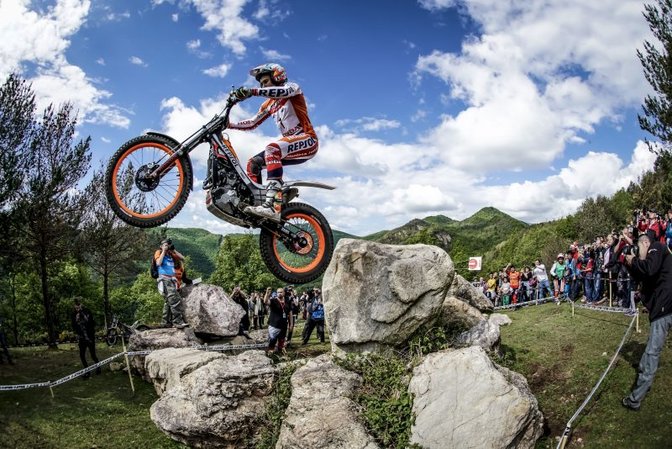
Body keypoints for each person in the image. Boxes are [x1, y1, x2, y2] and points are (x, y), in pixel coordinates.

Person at [229, 63, 319, 220]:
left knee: (272, 148)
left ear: (277, 77)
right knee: (253, 163)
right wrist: (229, 124)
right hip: (288, 145)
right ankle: (258, 204)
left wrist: (252, 91)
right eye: (261, 84)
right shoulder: (268, 104)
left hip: (308, 139)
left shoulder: (292, 88)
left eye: (265, 81)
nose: (263, 86)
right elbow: (252, 122)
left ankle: (273, 204)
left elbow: (282, 91)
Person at [622, 232, 672, 411]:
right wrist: (630, 263)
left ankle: (635, 399)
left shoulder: (657, 247)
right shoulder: (654, 259)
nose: (638, 252)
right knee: (652, 350)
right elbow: (643, 275)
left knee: (652, 351)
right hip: (664, 305)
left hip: (665, 307)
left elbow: (648, 269)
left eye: (639, 247)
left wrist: (635, 260)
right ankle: (643, 367)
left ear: (645, 243)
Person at [154, 238, 188, 329]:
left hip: (171, 280)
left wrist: (173, 250)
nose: (167, 246)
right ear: (161, 246)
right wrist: (163, 251)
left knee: (168, 302)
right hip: (165, 280)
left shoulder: (170, 254)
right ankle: (177, 322)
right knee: (175, 300)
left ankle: (165, 322)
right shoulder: (159, 252)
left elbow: (182, 258)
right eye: (165, 245)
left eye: (168, 245)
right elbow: (158, 263)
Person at [71, 298, 100, 378]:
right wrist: (76, 320)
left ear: (81, 305)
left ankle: (98, 367)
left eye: (78, 306)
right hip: (81, 338)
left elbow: (92, 323)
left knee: (93, 354)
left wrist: (83, 315)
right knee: (82, 355)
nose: (77, 308)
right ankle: (87, 371)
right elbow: (73, 326)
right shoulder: (73, 314)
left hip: (90, 336)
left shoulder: (87, 311)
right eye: (76, 307)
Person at [263, 286, 292, 355]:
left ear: (284, 293)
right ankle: (270, 353)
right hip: (274, 325)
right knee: (272, 340)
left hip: (284, 325)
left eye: (281, 292)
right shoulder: (273, 300)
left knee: (282, 340)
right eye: (278, 292)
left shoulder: (287, 301)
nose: (279, 293)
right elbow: (265, 301)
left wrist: (291, 324)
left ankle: (280, 352)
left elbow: (290, 313)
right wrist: (267, 293)